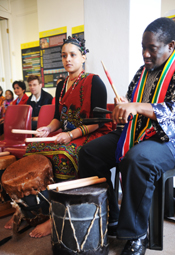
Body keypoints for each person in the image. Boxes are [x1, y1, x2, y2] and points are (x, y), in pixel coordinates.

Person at [78, 17, 175, 255]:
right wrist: (124, 109)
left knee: (138, 159)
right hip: (137, 131)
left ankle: (136, 234)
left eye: (151, 48)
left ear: (170, 46)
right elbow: (132, 103)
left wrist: (138, 107)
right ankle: (109, 214)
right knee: (89, 153)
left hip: (174, 139)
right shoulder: (142, 72)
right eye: (143, 47)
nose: (145, 54)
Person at [23, 36, 112, 238]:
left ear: (83, 57)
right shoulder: (61, 85)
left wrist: (70, 135)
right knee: (33, 149)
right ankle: (37, 207)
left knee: (63, 155)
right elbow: (58, 119)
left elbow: (98, 123)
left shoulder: (94, 81)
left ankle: (58, 213)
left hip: (92, 133)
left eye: (73, 55)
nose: (68, 59)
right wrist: (47, 129)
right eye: (64, 55)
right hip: (67, 133)